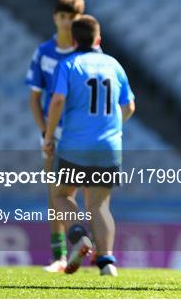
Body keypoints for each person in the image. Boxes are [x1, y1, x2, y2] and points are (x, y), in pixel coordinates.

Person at [42, 15, 135, 277]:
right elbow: (129, 107)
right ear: (98, 39)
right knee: (99, 205)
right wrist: (110, 129)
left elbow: (58, 100)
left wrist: (49, 136)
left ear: (73, 40)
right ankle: (106, 262)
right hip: (108, 145)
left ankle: (79, 237)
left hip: (75, 143)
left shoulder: (68, 64)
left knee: (61, 195)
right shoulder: (113, 65)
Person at [25, 0, 85, 272]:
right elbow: (35, 98)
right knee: (55, 195)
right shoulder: (44, 53)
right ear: (54, 18)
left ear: (78, 19)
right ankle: (59, 255)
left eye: (71, 17)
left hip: (81, 133)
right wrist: (45, 133)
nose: (65, 22)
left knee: (91, 193)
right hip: (54, 134)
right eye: (62, 16)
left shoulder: (84, 53)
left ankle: (99, 252)